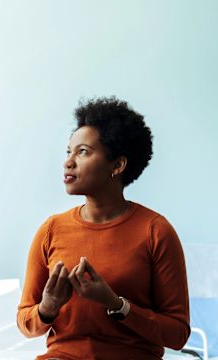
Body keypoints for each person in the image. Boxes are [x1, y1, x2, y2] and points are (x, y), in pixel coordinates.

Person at [17, 97, 190, 359]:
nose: (68, 162)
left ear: (117, 165)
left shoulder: (156, 231)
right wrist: (48, 308)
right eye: (68, 152)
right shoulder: (51, 230)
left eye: (83, 152)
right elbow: (25, 322)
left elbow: (177, 334)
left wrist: (116, 304)